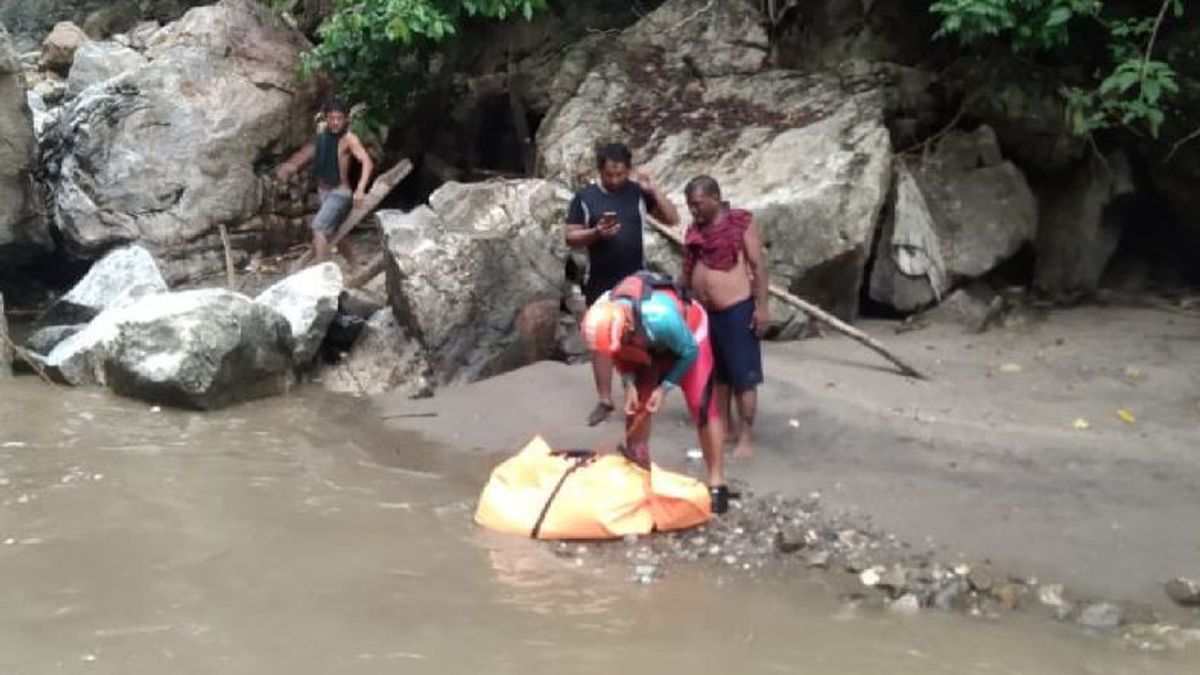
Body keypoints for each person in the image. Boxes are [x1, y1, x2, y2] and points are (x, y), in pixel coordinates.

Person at [581, 271, 730, 513]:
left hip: (689, 335)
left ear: (626, 325)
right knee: (637, 405)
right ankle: (639, 475)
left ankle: (716, 482)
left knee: (700, 404)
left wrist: (665, 387)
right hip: (643, 342)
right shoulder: (603, 315)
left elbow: (689, 352)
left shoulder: (660, 317)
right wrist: (628, 383)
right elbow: (617, 353)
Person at [565, 142, 679, 427]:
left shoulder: (637, 193)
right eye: (609, 176)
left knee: (637, 334)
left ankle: (639, 390)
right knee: (600, 339)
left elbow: (672, 218)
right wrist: (596, 233)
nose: (615, 181)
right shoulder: (585, 197)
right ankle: (604, 399)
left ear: (628, 171)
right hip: (599, 278)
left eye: (620, 175)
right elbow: (570, 236)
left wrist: (654, 190)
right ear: (600, 171)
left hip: (635, 279)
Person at [681, 175, 769, 459]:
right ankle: (727, 427)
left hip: (736, 309)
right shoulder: (695, 231)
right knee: (718, 377)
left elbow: (758, 268)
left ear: (715, 198)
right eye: (690, 206)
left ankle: (746, 435)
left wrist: (762, 308)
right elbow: (689, 269)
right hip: (708, 314)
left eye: (698, 204)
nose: (694, 211)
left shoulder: (740, 223)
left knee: (744, 377)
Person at [275, 96, 375, 265]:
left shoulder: (349, 138)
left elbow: (367, 162)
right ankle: (355, 266)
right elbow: (310, 151)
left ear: (346, 119)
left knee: (319, 228)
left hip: (340, 193)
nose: (335, 123)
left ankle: (321, 272)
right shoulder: (322, 132)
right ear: (326, 118)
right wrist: (292, 165)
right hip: (324, 192)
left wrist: (360, 189)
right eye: (332, 118)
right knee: (334, 231)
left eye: (339, 119)